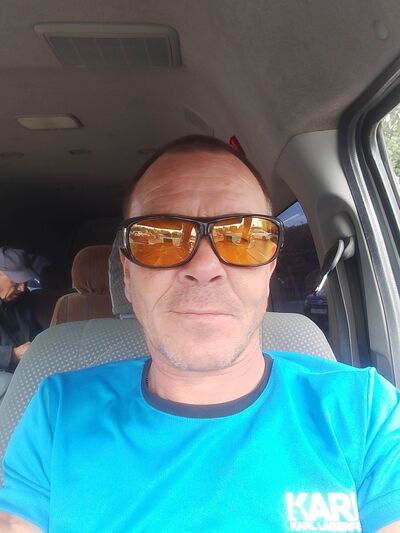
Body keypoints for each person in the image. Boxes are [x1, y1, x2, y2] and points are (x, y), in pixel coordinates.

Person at [0, 136, 399, 533]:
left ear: (269, 267)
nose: (204, 267)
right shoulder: (58, 411)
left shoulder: (365, 411)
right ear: (128, 273)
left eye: (243, 237)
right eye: (161, 238)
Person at [0, 248, 42, 398]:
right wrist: (12, 355)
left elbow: (36, 332)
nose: (22, 288)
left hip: (28, 368)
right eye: (16, 281)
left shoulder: (23, 300)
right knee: (8, 383)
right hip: (6, 374)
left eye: (25, 281)